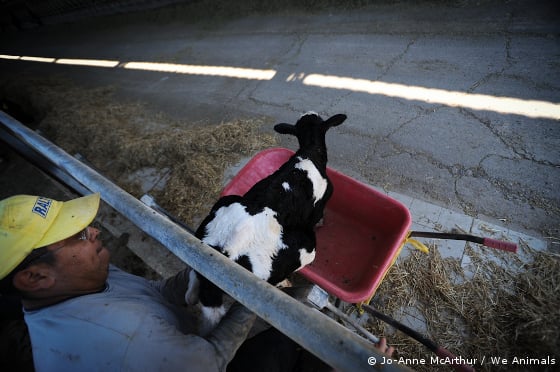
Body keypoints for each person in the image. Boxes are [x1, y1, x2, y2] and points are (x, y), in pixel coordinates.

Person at [0, 192, 394, 371]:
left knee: (291, 312)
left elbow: (155, 292)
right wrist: (257, 288)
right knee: (285, 336)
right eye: (79, 236)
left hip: (182, 350)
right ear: (35, 276)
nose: (96, 234)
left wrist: (215, 264)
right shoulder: (122, 342)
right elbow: (214, 358)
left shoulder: (77, 281)